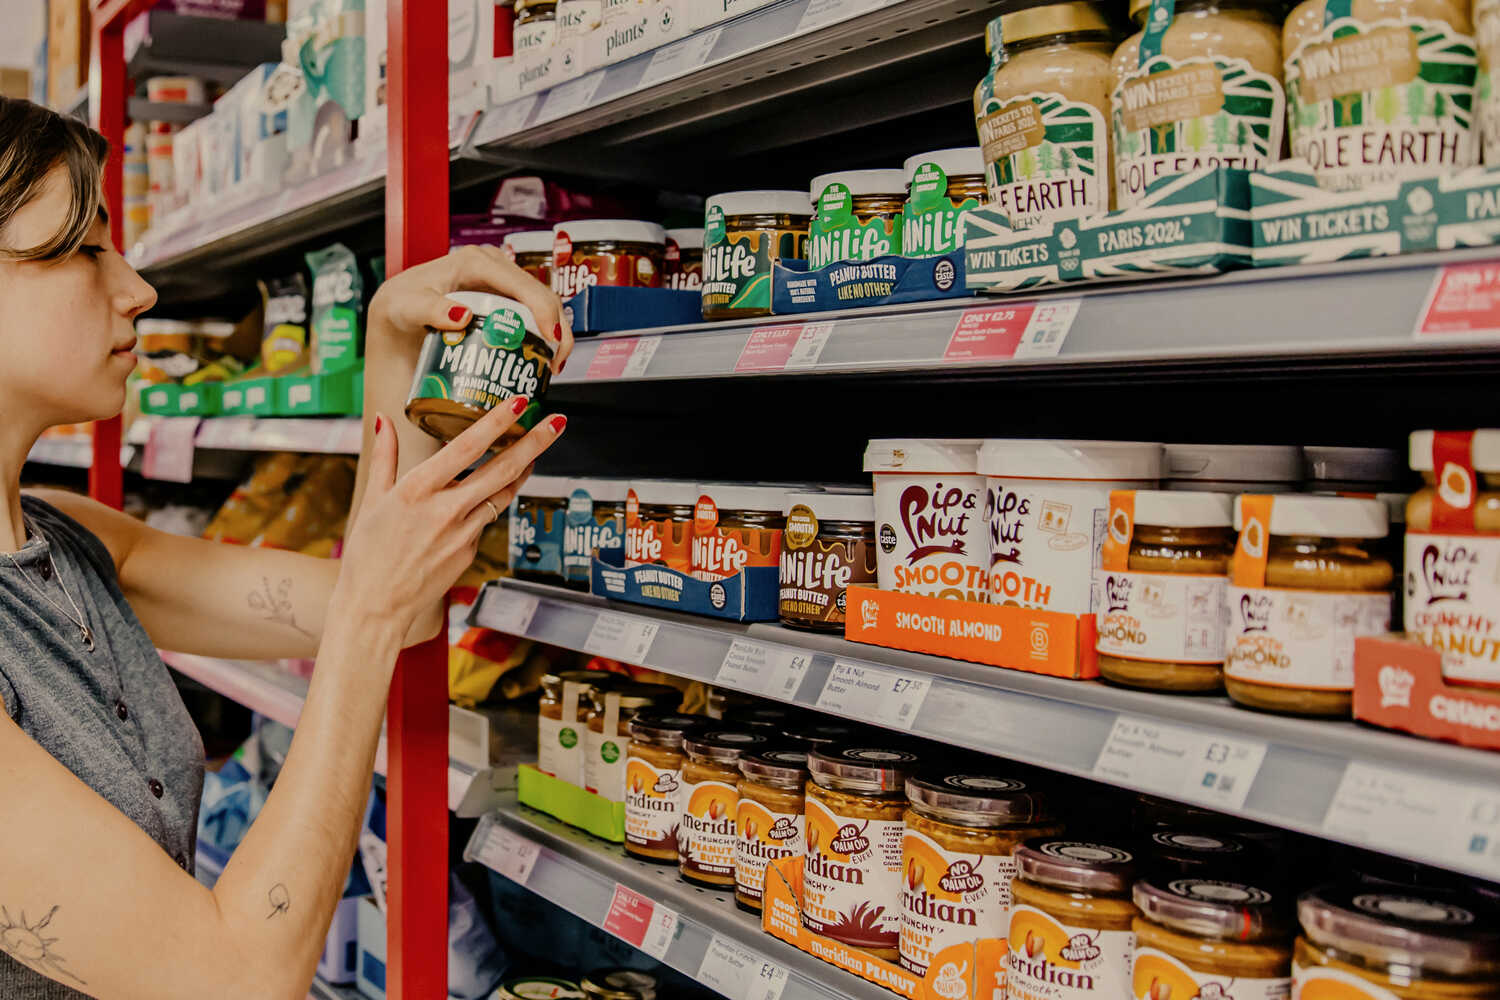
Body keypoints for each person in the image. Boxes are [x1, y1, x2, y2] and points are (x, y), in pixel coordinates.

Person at [0, 96, 573, 1000]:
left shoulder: (74, 545)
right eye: (84, 247)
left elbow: (403, 602)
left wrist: (393, 339)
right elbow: (234, 983)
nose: (139, 289)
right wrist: (367, 623)